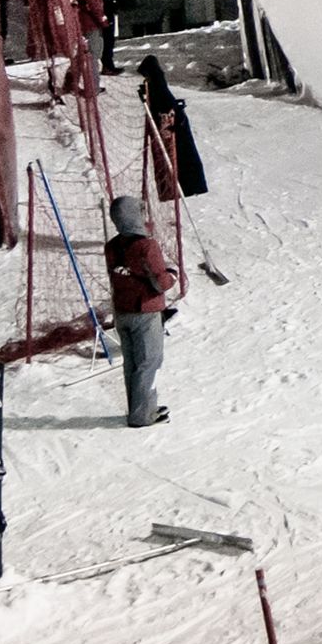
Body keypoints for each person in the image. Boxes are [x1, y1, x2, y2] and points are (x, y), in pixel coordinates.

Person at [106, 195, 177, 428]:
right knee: (150, 362)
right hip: (145, 312)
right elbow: (160, 282)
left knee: (132, 363)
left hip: (122, 311)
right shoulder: (147, 246)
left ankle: (140, 407)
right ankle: (143, 414)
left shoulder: (112, 246)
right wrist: (173, 275)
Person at [137, 55, 210, 198]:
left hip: (174, 128)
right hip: (172, 127)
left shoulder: (158, 86)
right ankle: (179, 188)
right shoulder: (156, 85)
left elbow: (164, 107)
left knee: (182, 159)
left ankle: (186, 188)